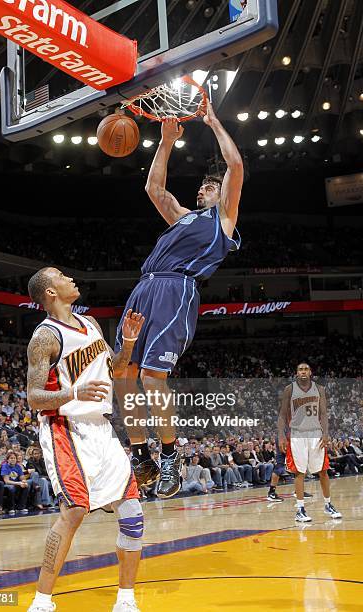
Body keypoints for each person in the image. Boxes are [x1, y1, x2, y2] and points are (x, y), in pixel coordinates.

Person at [115, 101, 243, 498]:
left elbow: (235, 167)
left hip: (176, 290)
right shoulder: (184, 216)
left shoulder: (222, 219)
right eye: (203, 185)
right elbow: (154, 188)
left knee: (153, 376)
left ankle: (170, 456)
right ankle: (141, 455)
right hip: (145, 287)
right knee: (123, 374)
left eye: (212, 185)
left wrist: (214, 122)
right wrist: (166, 142)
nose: (205, 186)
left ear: (222, 195)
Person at [25, 267, 145, 612]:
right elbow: (34, 397)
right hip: (65, 427)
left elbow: (117, 369)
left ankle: (125, 599)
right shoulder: (45, 337)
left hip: (101, 429)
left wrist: (129, 342)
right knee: (75, 511)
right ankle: (42, 601)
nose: (70, 279)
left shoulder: (91, 324)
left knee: (133, 511)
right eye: (61, 276)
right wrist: (75, 391)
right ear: (50, 292)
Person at [278, 363, 342, 522]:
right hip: (297, 434)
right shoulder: (289, 389)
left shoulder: (319, 389)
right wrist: (281, 435)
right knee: (300, 472)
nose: (303, 371)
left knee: (323, 470)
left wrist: (326, 433)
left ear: (310, 372)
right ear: (296, 373)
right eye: (300, 369)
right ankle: (300, 509)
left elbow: (324, 413)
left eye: (306, 369)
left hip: (316, 434)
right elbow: (282, 415)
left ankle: (328, 504)